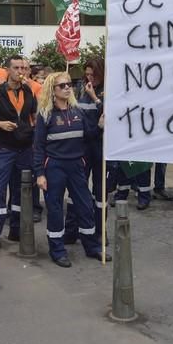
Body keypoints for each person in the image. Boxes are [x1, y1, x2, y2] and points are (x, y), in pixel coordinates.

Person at [33, 72, 111, 267]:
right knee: (56, 210)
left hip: (77, 166)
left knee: (85, 207)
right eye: (62, 85)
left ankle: (91, 246)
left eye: (69, 84)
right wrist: (40, 174)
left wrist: (100, 127)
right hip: (55, 168)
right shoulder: (45, 114)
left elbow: (89, 135)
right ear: (53, 90)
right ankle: (57, 250)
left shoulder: (77, 111)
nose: (67, 88)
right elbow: (38, 146)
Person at [0, 55, 37, 252]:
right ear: (8, 70)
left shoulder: (29, 91)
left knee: (20, 191)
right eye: (16, 68)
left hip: (24, 149)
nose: (21, 71)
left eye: (23, 68)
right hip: (4, 149)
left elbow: (33, 117)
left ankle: (16, 229)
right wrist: (0, 125)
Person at [64, 59, 106, 243]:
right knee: (76, 190)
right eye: (87, 74)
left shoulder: (108, 90)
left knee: (100, 193)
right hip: (82, 146)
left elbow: (111, 116)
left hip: (101, 147)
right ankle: (72, 230)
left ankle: (99, 232)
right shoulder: (80, 89)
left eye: (93, 75)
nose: (90, 78)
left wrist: (96, 99)